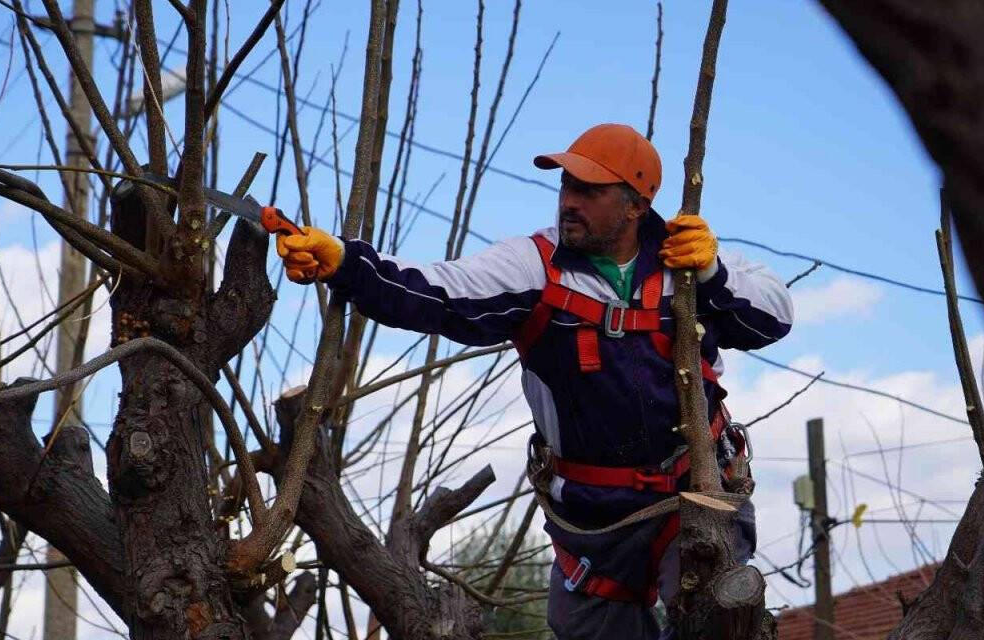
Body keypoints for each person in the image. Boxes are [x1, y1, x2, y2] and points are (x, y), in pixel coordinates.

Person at [275, 123, 793, 639]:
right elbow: (436, 293)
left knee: (716, 620)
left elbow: (773, 319)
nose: (570, 201)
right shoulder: (534, 266)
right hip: (592, 518)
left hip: (696, 494)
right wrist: (344, 263)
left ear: (637, 205)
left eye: (590, 191)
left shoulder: (688, 258)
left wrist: (711, 276)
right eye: (567, 186)